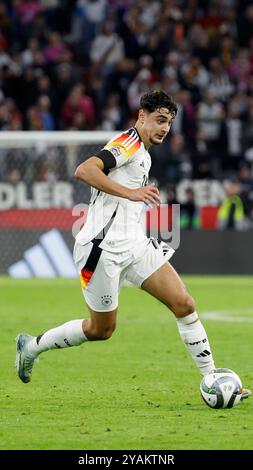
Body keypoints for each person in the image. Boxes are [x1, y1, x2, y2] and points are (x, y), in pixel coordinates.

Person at [15, 90, 251, 400]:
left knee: (184, 304)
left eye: (169, 123)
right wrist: (132, 194)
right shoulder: (128, 142)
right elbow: (84, 170)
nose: (165, 128)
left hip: (135, 245)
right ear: (142, 116)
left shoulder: (144, 152)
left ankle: (212, 378)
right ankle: (31, 347)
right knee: (101, 330)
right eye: (160, 120)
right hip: (100, 250)